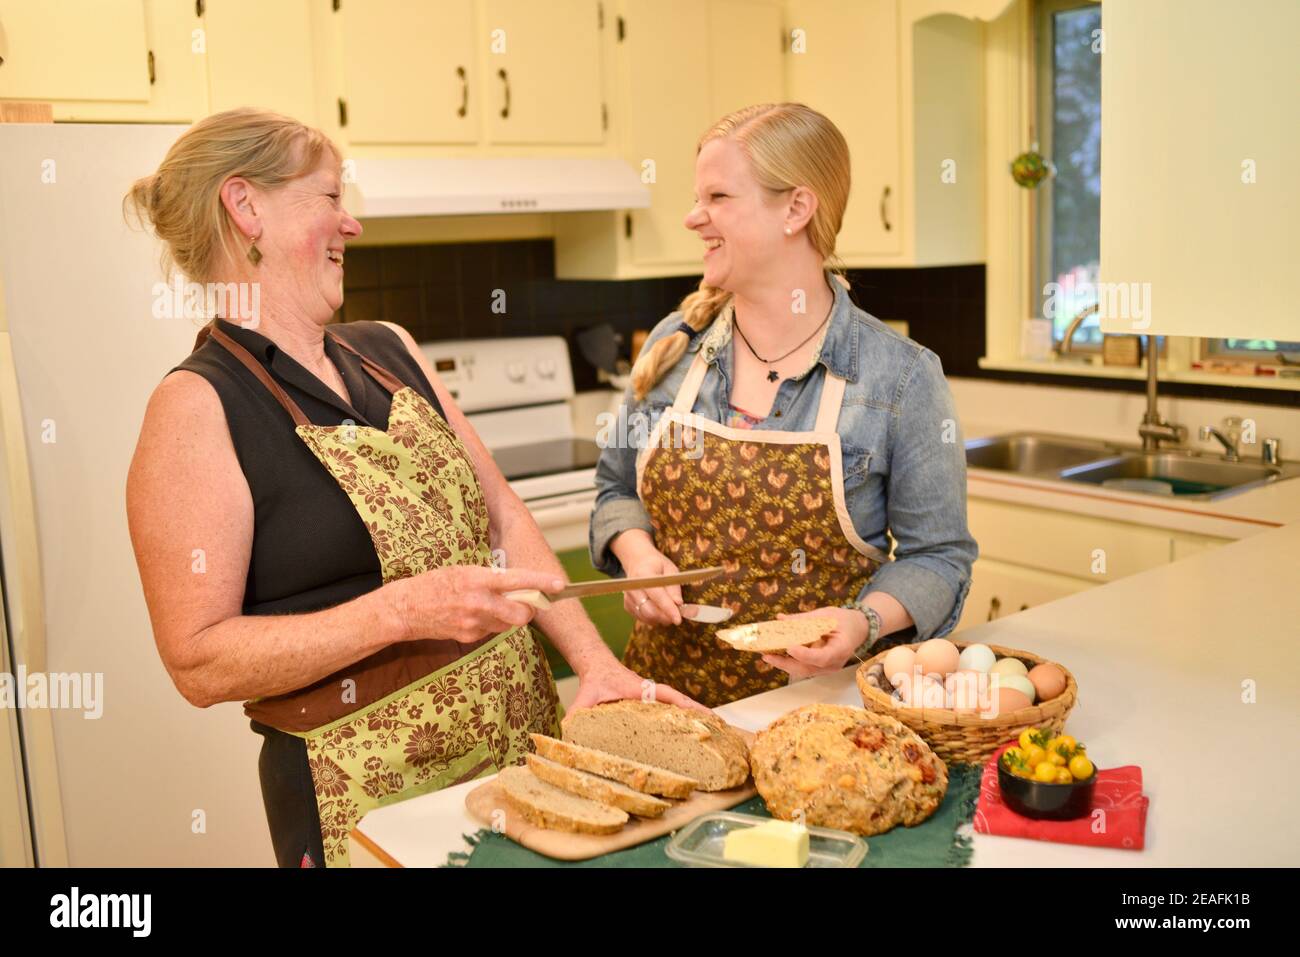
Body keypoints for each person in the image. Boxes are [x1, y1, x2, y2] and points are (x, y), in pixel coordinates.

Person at [124, 108, 700, 867]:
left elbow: (500, 517)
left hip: (524, 757)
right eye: (329, 198)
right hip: (363, 797)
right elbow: (197, 660)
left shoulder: (389, 348)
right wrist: (398, 610)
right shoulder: (197, 407)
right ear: (246, 206)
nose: (350, 223)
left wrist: (593, 663)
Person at [590, 103, 978, 708]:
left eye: (718, 196)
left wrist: (863, 624)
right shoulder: (676, 345)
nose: (693, 218)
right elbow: (615, 490)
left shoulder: (900, 378)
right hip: (665, 708)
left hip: (824, 717)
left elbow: (939, 556)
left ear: (796, 209)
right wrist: (636, 554)